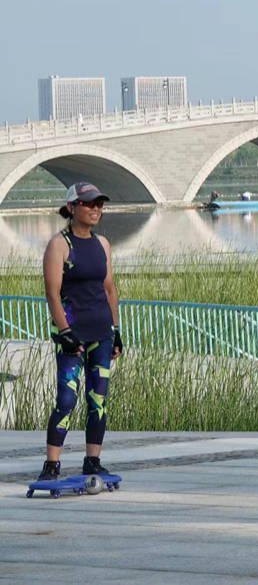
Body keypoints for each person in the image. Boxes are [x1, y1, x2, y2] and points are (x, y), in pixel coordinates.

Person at [37, 183, 123, 482]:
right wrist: (64, 330)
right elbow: (52, 292)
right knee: (66, 399)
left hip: (101, 332)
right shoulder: (60, 244)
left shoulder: (103, 244)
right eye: (88, 204)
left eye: (99, 204)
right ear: (72, 208)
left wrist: (116, 330)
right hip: (72, 334)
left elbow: (109, 288)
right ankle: (52, 464)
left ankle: (93, 460)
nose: (95, 209)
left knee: (98, 399)